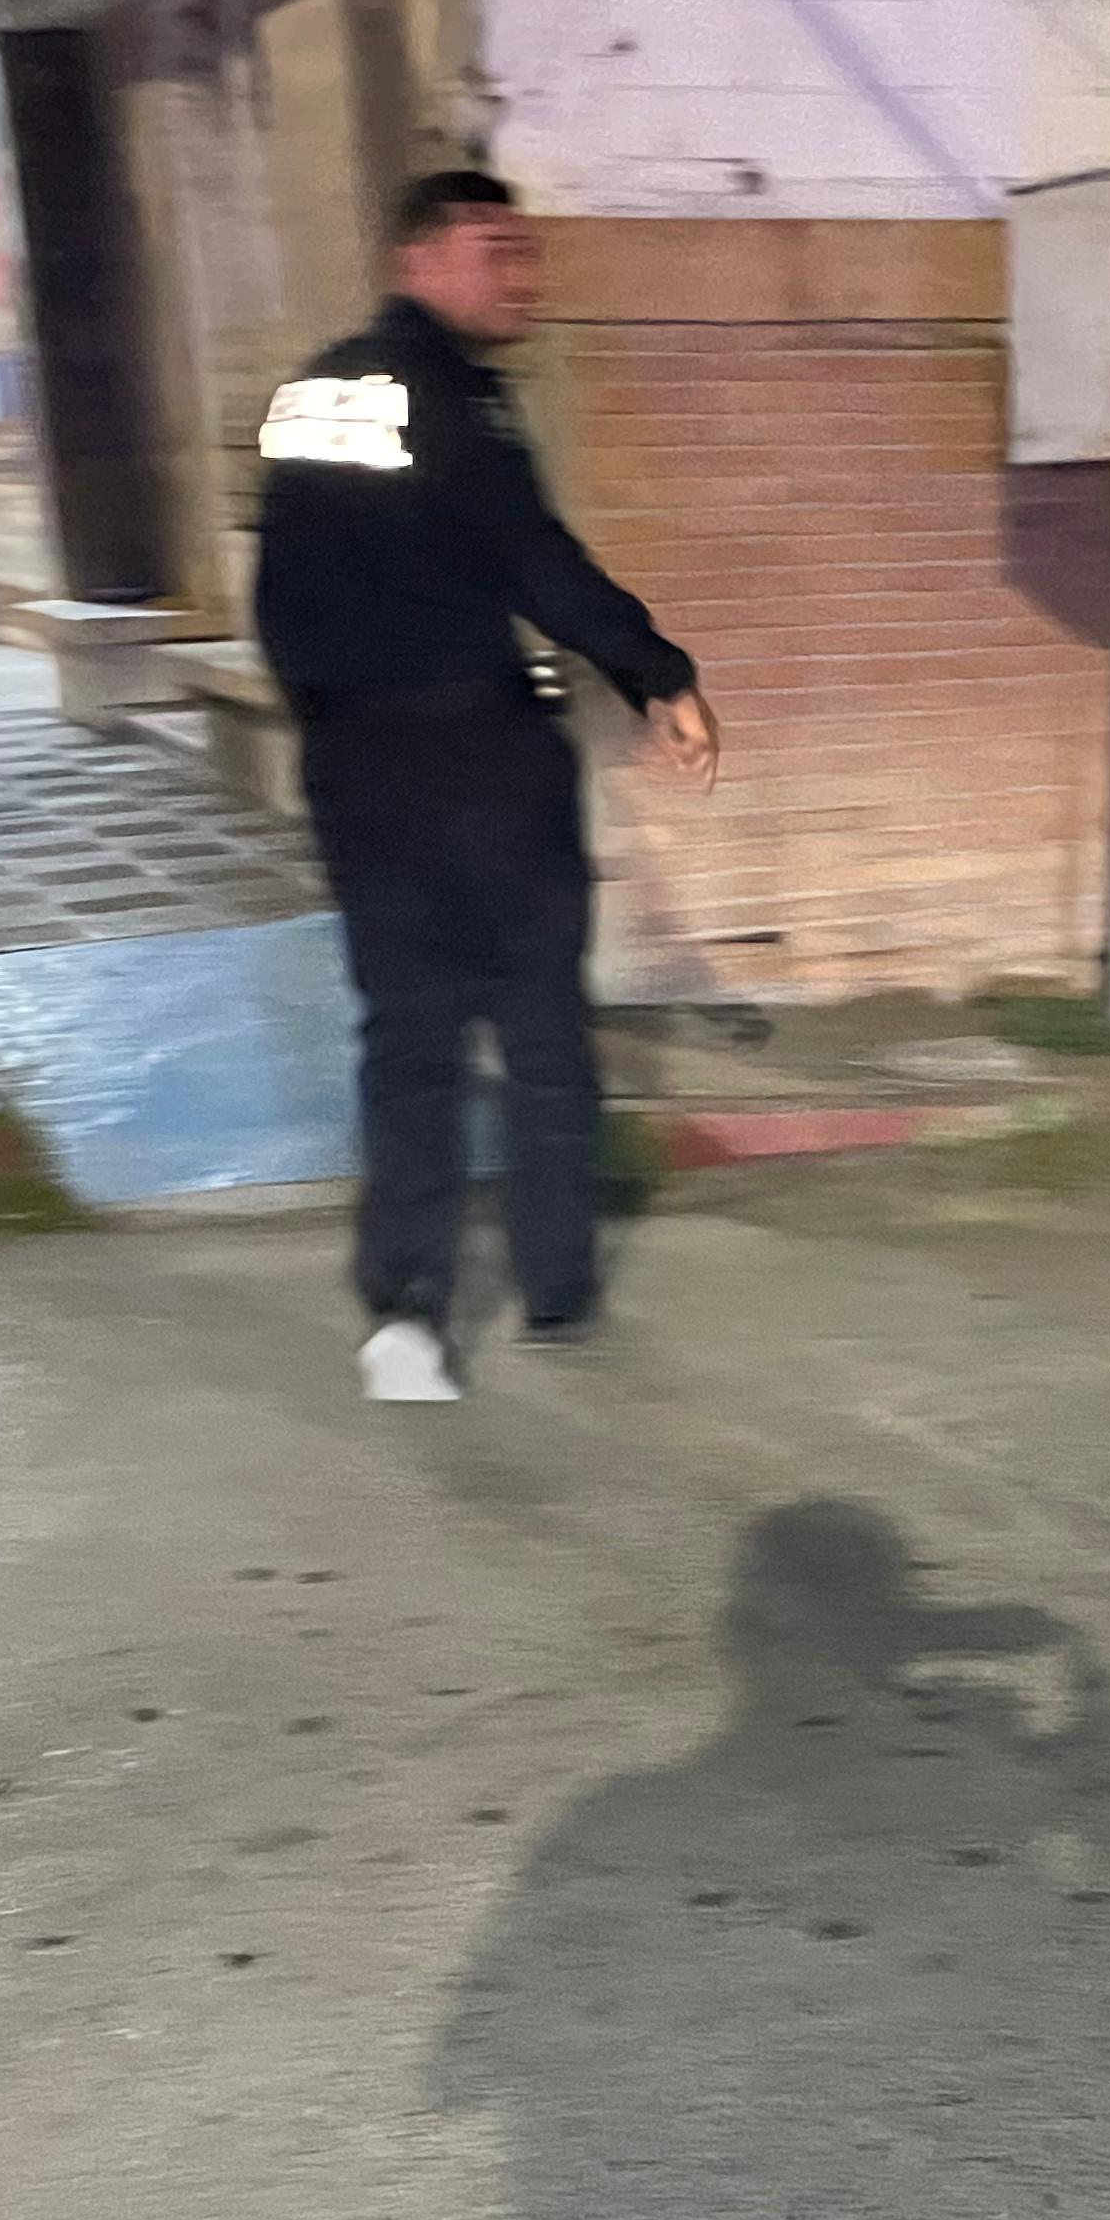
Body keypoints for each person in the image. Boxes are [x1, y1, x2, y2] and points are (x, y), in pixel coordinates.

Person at [251, 169, 719, 1403]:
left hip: (356, 763)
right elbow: (538, 567)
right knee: (538, 1021)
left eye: (529, 252)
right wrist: (658, 672)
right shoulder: (462, 401)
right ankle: (555, 1285)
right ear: (419, 259)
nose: (526, 278)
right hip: (479, 761)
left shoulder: (313, 393)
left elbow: (280, 591)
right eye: (496, 251)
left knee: (407, 1032)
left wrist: (334, 720)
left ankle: (404, 1312)